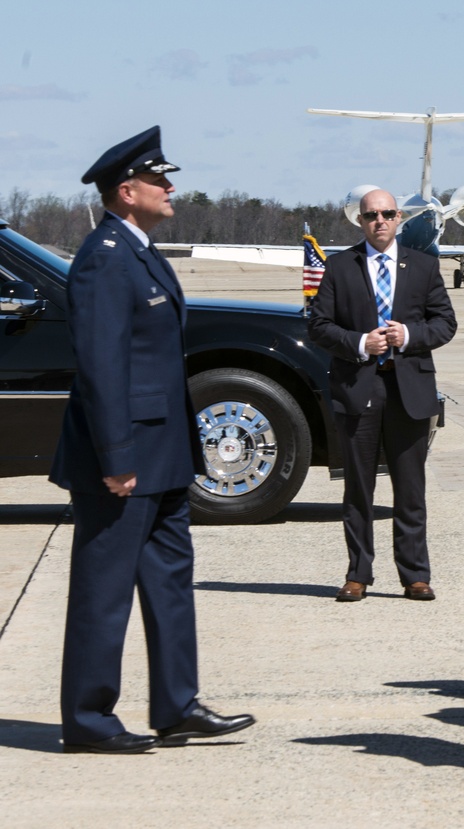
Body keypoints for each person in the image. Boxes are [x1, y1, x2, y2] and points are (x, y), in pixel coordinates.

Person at [50, 126, 255, 755]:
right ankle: (88, 719)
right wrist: (115, 458)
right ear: (127, 189)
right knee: (103, 592)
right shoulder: (105, 256)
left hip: (163, 453)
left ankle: (176, 705)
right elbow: (101, 364)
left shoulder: (141, 250)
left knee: (170, 581)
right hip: (126, 458)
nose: (171, 188)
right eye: (160, 180)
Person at [308, 189, 456, 602]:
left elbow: (445, 323)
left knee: (411, 488)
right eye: (371, 215)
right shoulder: (339, 266)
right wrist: (359, 343)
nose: (380, 221)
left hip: (409, 389)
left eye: (388, 213)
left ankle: (415, 575)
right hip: (359, 388)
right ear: (360, 220)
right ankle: (358, 574)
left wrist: (408, 336)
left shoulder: (424, 267)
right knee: (358, 488)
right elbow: (318, 326)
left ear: (398, 219)